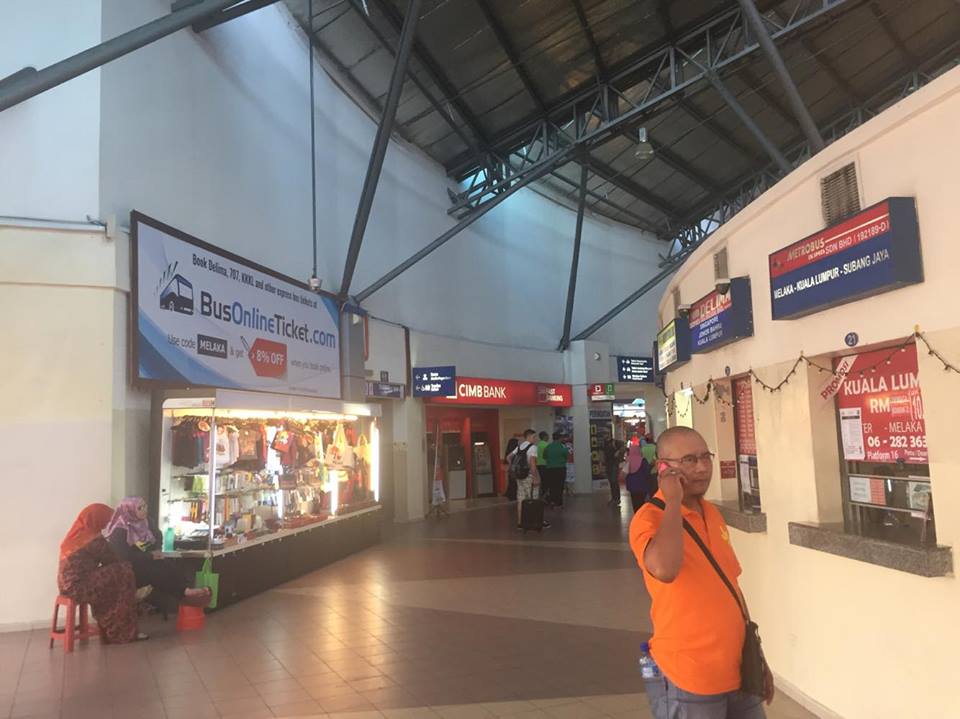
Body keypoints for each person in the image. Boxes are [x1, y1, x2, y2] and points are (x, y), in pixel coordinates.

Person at [630, 427, 774, 719]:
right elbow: (664, 569)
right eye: (689, 460)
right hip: (688, 676)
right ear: (664, 468)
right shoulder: (649, 518)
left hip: (737, 671)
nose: (702, 468)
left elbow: (730, 584)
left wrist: (755, 654)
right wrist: (673, 501)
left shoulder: (712, 513)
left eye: (705, 457)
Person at [58, 504, 145, 644]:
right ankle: (122, 630)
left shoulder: (76, 535)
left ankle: (113, 626)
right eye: (105, 520)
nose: (106, 524)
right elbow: (112, 559)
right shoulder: (92, 539)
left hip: (68, 587)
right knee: (124, 571)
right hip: (79, 587)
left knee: (115, 579)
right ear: (96, 519)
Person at [104, 497, 211, 611]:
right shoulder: (120, 530)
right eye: (140, 508)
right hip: (129, 568)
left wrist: (157, 550)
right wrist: (150, 556)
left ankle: (185, 591)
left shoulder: (147, 522)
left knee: (169, 564)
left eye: (145, 506)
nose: (144, 509)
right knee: (156, 570)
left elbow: (158, 535)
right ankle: (185, 594)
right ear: (129, 510)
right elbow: (124, 556)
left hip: (148, 560)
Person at [508, 429, 549, 530]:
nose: (535, 439)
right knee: (533, 499)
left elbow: (509, 457)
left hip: (519, 476)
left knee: (521, 500)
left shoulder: (519, 446)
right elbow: (532, 465)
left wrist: (514, 468)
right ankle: (535, 521)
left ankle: (520, 523)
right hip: (529, 477)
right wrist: (535, 478)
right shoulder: (532, 448)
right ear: (529, 436)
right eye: (534, 437)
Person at [542, 432, 569, 507]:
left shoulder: (548, 447)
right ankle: (559, 502)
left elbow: (544, 457)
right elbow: (567, 457)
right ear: (560, 438)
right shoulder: (563, 447)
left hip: (550, 469)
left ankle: (552, 501)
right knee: (560, 486)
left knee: (552, 485)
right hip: (560, 469)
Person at [624, 439, 650, 513]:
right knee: (642, 503)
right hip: (643, 486)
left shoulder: (628, 461)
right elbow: (647, 472)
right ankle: (642, 516)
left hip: (632, 486)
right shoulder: (643, 461)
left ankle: (637, 516)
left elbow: (624, 473)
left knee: (635, 503)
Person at [603, 437, 627, 506]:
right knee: (612, 482)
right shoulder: (606, 443)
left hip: (613, 464)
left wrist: (618, 452)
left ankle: (616, 499)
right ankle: (615, 498)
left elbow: (623, 447)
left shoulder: (615, 442)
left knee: (614, 482)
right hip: (609, 464)